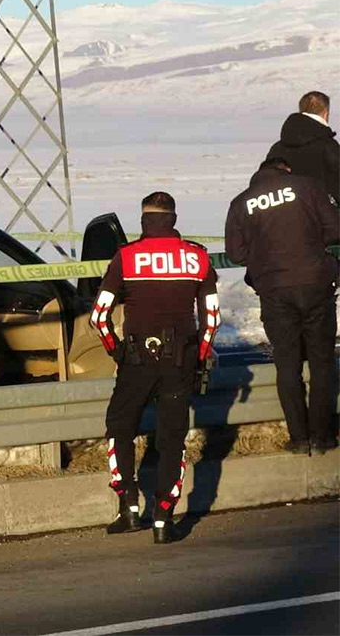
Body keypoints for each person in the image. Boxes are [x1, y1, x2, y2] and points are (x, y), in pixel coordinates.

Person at [89, 192, 220, 544]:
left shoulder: (126, 258)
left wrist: (117, 351)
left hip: (135, 360)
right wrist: (199, 355)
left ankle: (129, 507)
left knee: (120, 425)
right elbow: (212, 319)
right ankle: (164, 517)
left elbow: (99, 317)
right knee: (172, 438)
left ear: (144, 220)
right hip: (180, 361)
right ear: (173, 220)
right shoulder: (197, 258)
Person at [226, 158, 339, 455]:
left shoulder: (241, 203)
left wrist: (263, 253)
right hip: (315, 283)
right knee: (322, 363)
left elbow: (236, 253)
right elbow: (335, 229)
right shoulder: (308, 186)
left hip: (274, 290)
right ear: (286, 169)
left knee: (286, 365)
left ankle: (299, 439)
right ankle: (324, 436)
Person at [266, 91, 339, 204]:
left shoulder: (276, 148)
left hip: (285, 215)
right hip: (323, 216)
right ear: (325, 114)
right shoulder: (328, 146)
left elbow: (265, 184)